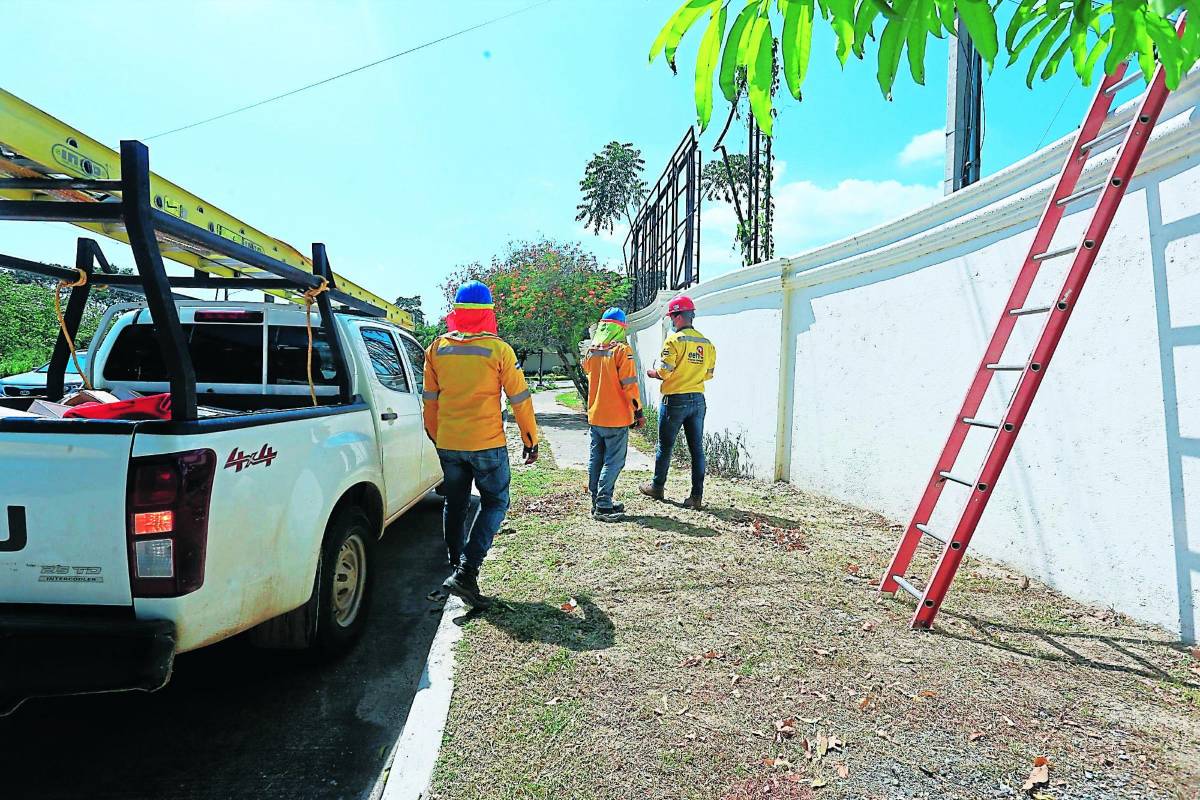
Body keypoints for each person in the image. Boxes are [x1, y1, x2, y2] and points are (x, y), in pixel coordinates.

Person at [423, 280, 539, 607]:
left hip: (449, 443)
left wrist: (437, 436)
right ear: (488, 312)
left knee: (455, 504)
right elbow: (520, 399)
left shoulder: (436, 348)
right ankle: (466, 572)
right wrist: (530, 439)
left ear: (457, 312)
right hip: (486, 443)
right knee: (495, 502)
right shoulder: (498, 349)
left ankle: (457, 570)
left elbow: (429, 401)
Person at [640, 294, 716, 510]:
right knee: (697, 449)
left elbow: (664, 372)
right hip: (698, 399)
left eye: (673, 316)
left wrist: (653, 372)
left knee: (665, 446)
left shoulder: (674, 341)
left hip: (675, 400)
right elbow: (709, 374)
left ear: (680, 316)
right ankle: (696, 496)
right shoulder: (706, 343)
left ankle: (657, 487)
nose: (672, 321)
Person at [582, 307, 644, 519]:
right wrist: (638, 411)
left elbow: (589, 372)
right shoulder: (622, 350)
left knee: (596, 459)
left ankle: (595, 500)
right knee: (614, 461)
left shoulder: (592, 352)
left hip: (595, 416)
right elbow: (630, 385)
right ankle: (604, 503)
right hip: (616, 418)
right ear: (621, 328)